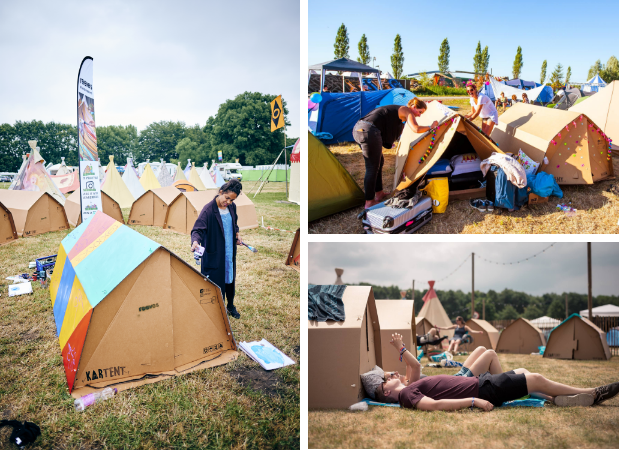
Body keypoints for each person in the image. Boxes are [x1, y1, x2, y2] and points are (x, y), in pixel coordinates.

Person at [376, 333, 619, 410]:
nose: (391, 375)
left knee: (524, 372)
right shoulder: (407, 396)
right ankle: (593, 392)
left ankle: (557, 399)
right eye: (386, 379)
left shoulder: (408, 387)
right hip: (482, 389)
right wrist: (473, 401)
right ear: (386, 393)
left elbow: (413, 368)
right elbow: (435, 405)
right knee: (536, 378)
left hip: (482, 384)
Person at [353, 98, 438, 208]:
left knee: (379, 162)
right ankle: (369, 202)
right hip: (368, 131)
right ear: (413, 107)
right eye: (419, 112)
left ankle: (379, 193)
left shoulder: (397, 112)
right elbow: (416, 129)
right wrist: (431, 127)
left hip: (360, 129)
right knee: (372, 167)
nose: (419, 115)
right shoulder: (406, 110)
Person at [190, 179, 244, 319]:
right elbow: (198, 229)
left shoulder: (232, 207)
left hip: (229, 251)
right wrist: (195, 241)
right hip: (215, 253)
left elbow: (234, 223)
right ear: (221, 192)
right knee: (216, 283)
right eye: (227, 198)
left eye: (232, 200)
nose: (229, 202)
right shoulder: (208, 209)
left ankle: (230, 305)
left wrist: (237, 234)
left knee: (230, 279)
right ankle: (216, 310)